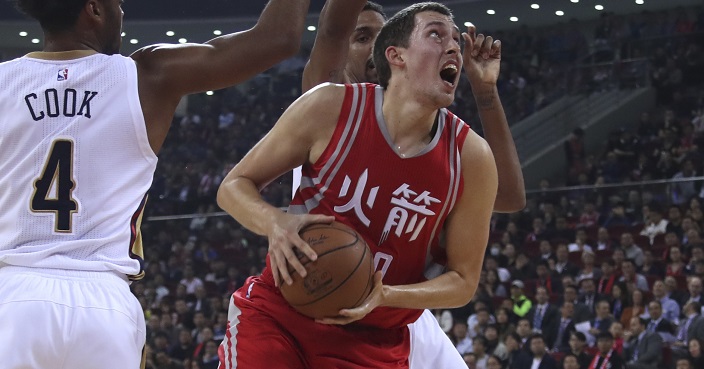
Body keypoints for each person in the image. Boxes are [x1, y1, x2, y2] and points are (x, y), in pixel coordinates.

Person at [0, 0, 313, 368]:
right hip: (105, 303)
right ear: (94, 10)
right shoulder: (146, 74)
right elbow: (278, 38)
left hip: (13, 296)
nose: (121, 11)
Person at [215, 3, 500, 368]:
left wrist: (383, 295)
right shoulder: (329, 106)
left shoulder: (471, 157)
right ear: (395, 55)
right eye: (435, 34)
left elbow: (463, 280)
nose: (454, 47)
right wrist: (274, 221)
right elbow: (234, 185)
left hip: (376, 339)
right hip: (283, 314)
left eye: (456, 40)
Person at [297, 1, 525, 368]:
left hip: (396, 308)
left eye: (380, 34)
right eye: (362, 37)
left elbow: (510, 196)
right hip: (322, 299)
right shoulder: (327, 101)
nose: (373, 47)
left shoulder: (433, 132)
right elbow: (331, 29)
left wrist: (485, 91)